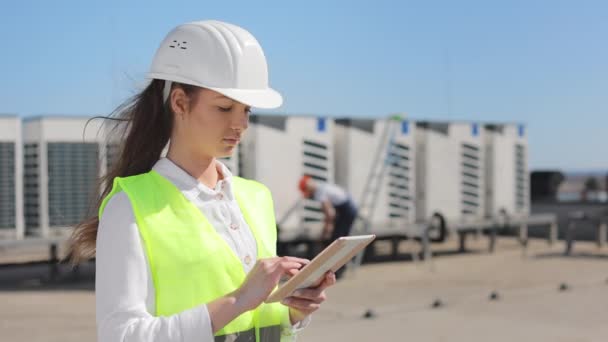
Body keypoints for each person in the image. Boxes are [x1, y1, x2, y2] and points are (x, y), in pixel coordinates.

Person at [70, 20, 336, 342]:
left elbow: (261, 320)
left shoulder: (256, 197)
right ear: (180, 102)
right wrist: (236, 301)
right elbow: (121, 335)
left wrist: (294, 312)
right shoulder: (130, 206)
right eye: (224, 108)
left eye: (246, 110)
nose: (240, 124)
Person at [298, 176, 358, 278]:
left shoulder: (319, 192)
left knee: (338, 242)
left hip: (346, 211)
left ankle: (337, 270)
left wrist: (326, 230)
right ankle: (337, 268)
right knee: (339, 240)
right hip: (347, 209)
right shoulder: (323, 186)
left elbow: (329, 213)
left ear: (308, 187)